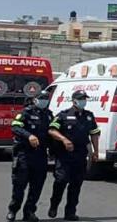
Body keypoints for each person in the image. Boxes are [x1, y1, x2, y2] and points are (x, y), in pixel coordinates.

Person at [47, 91, 99, 221]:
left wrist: (95, 151)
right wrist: (64, 139)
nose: (83, 101)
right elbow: (52, 130)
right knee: (61, 181)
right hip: (65, 155)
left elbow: (94, 134)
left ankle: (70, 212)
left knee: (76, 185)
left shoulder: (88, 116)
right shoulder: (64, 115)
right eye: (81, 99)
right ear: (74, 100)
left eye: (85, 99)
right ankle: (54, 205)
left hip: (80, 155)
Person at [6, 92, 53, 222]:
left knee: (36, 187)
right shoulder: (25, 112)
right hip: (24, 155)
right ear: (35, 100)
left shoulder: (49, 115)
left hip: (41, 156)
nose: (44, 101)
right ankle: (13, 210)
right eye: (41, 98)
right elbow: (15, 126)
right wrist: (29, 136)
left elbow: (53, 132)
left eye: (46, 99)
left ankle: (29, 212)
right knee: (19, 186)